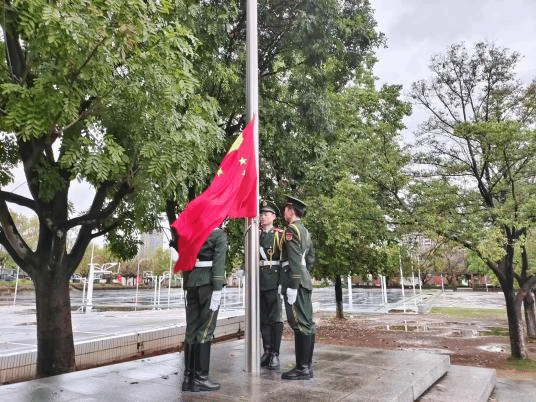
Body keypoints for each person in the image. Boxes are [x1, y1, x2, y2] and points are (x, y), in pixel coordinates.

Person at [181, 226, 227, 393]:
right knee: (206, 329)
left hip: (192, 282)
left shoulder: (190, 232)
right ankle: (201, 378)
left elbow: (185, 257)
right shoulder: (218, 234)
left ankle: (188, 378)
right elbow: (219, 262)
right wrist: (218, 287)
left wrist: (188, 281)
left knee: (191, 329)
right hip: (208, 283)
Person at [280, 195, 316, 380]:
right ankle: (306, 367)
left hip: (295, 281)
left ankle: (302, 368)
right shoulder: (305, 231)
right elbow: (310, 259)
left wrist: (293, 284)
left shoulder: (291, 230)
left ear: (291, 211)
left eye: (285, 209)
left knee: (299, 324)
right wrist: (304, 275)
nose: (284, 212)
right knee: (307, 323)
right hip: (304, 279)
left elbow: (294, 259)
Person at [258, 200, 284, 370]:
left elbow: (284, 261)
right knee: (263, 318)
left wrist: (282, 282)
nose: (262, 216)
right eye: (261, 214)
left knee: (275, 319)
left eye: (266, 214)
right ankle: (267, 350)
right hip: (259, 281)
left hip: (274, 281)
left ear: (274, 217)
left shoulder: (279, 235)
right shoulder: (256, 235)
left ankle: (275, 353)